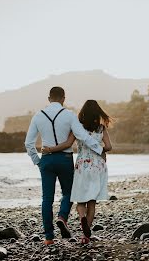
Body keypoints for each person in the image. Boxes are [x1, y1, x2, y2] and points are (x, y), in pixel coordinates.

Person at [25, 87, 107, 245]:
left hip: (46, 159)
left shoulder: (38, 116)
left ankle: (49, 238)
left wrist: (37, 161)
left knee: (46, 199)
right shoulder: (69, 115)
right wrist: (99, 149)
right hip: (64, 159)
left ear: (49, 98)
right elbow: (82, 136)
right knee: (69, 192)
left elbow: (29, 143)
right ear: (63, 98)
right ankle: (62, 217)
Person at [42, 100, 112, 245]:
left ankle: (82, 218)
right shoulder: (101, 128)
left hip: (82, 165)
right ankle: (86, 237)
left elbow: (67, 144)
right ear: (98, 112)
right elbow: (109, 146)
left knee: (81, 199)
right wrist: (99, 150)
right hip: (98, 165)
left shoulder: (77, 127)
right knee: (92, 202)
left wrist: (50, 149)